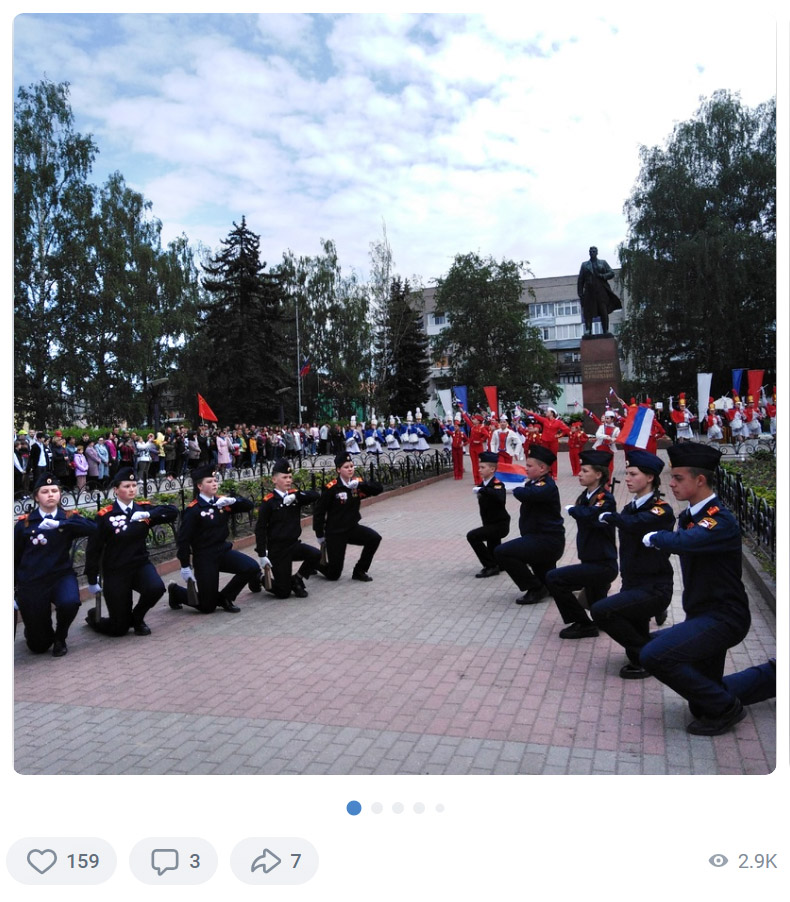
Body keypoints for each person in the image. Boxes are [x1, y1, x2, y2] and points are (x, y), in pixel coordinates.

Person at [640, 442, 751, 735]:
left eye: (678, 478)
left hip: (724, 616)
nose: (671, 483)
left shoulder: (719, 519)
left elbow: (687, 542)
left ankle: (728, 709)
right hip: (701, 613)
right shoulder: (690, 516)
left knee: (654, 655)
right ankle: (726, 699)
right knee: (701, 705)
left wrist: (656, 537)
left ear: (700, 480)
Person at [591, 449, 675, 676]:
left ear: (650, 478)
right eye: (626, 473)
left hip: (654, 587)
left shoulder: (660, 510)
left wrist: (611, 516)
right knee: (634, 626)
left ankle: (647, 657)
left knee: (602, 612)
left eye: (633, 474)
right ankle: (647, 650)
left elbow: (636, 523)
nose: (627, 478)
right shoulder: (631, 507)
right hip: (633, 583)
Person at [83, 467, 178, 636]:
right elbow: (93, 548)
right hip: (115, 571)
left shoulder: (142, 509)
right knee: (119, 629)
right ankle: (93, 618)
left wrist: (148, 513)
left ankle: (138, 618)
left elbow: (172, 512)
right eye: (126, 486)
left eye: (134, 485)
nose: (132, 489)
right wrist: (92, 578)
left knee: (155, 588)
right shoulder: (105, 516)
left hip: (139, 565)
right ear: (116, 490)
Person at [14, 474, 97, 657]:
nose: (50, 495)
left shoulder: (67, 517)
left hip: (60, 576)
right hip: (33, 581)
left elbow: (93, 528)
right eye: (45, 491)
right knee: (39, 646)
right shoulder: (25, 523)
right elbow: (14, 557)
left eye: (54, 491)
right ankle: (35, 630)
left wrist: (62, 523)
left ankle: (60, 637)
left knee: (70, 602)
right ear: (37, 497)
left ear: (59, 494)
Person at [168, 465, 260, 614]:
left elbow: (249, 505)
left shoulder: (221, 502)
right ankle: (176, 592)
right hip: (205, 557)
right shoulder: (194, 510)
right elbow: (183, 540)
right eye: (210, 481)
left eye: (215, 480)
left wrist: (232, 501)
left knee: (251, 567)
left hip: (223, 552)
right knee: (207, 606)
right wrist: (185, 565)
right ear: (199, 486)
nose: (214, 484)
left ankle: (225, 597)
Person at [545, 449, 617, 638]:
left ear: (599, 474)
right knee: (601, 610)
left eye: (585, 471)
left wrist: (574, 510)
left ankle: (583, 624)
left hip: (602, 563)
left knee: (554, 578)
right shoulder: (585, 496)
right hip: (590, 560)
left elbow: (590, 516)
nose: (580, 473)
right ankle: (602, 620)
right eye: (581, 470)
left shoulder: (605, 499)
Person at [493, 445, 565, 605]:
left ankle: (534, 588)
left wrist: (513, 488)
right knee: (551, 581)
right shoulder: (535, 483)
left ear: (542, 468)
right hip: (539, 539)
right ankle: (547, 586)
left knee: (502, 552)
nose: (526, 469)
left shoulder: (546, 486)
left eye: (529, 466)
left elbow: (530, 495)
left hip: (547, 541)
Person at [255, 458, 325, 599]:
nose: (288, 480)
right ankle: (258, 577)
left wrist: (296, 496)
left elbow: (315, 495)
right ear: (274, 480)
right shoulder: (268, 502)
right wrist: (262, 554)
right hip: (277, 550)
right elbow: (260, 529)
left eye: (290, 477)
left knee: (316, 555)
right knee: (283, 593)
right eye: (284, 477)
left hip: (293, 545)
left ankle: (297, 578)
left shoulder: (294, 496)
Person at [312, 451, 383, 582]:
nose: (350, 469)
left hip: (352, 529)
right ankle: (314, 563)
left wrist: (361, 485)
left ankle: (359, 571)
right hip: (335, 533)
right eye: (346, 467)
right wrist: (319, 534)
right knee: (334, 575)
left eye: (351, 466)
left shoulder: (356, 484)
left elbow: (378, 489)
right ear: (338, 469)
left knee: (374, 538)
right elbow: (319, 511)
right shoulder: (332, 488)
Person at [467, 450, 510, 578]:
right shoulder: (483, 484)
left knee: (473, 536)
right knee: (493, 544)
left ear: (492, 469)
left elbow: (500, 498)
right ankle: (497, 563)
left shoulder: (497, 484)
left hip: (500, 524)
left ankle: (490, 566)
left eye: (482, 467)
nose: (479, 469)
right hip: (490, 523)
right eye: (479, 467)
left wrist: (484, 490)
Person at [577, 246, 621, 335]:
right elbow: (580, 280)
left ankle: (605, 330)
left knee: (603, 311)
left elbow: (611, 273)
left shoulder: (603, 263)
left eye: (594, 251)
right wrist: (580, 293)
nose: (592, 252)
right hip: (589, 291)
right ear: (589, 253)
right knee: (588, 312)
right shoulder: (585, 265)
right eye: (591, 251)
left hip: (601, 290)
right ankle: (588, 330)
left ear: (597, 253)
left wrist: (604, 276)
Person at [525, 407, 570, 478]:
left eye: (548, 411)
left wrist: (558, 435)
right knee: (545, 457)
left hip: (553, 442)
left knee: (553, 457)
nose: (546, 413)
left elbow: (566, 430)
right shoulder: (545, 420)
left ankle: (554, 474)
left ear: (552, 413)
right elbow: (537, 417)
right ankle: (548, 473)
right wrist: (530, 412)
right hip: (545, 441)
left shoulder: (558, 422)